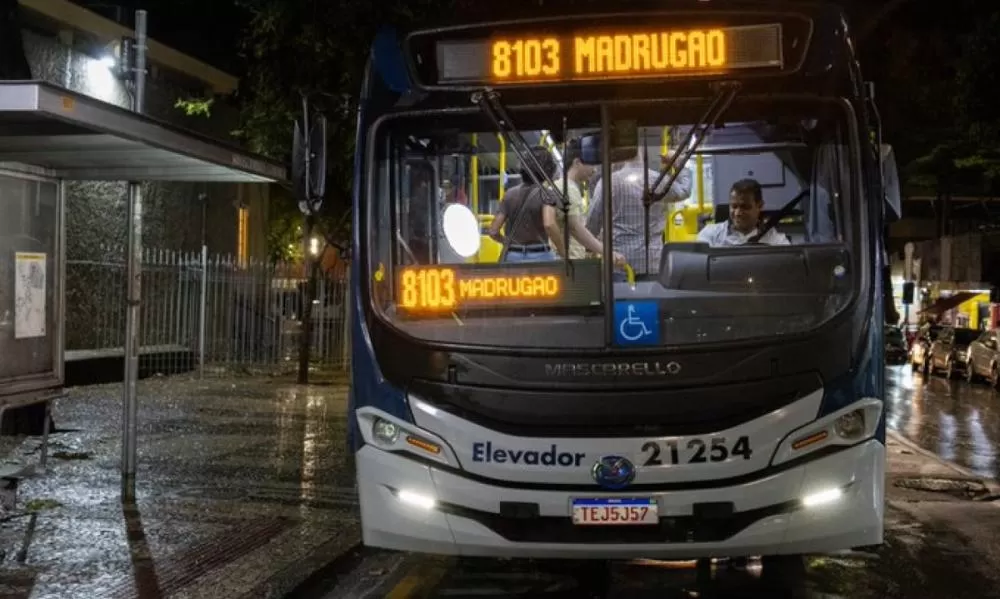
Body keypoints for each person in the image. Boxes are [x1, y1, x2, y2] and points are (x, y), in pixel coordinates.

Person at [585, 147, 693, 278]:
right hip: (652, 263)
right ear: (642, 153)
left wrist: (590, 248)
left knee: (620, 298)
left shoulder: (608, 182)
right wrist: (678, 162)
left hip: (618, 264)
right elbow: (684, 190)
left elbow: (592, 222)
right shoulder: (657, 180)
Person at [551, 138, 625, 265]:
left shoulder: (563, 186)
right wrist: (607, 252)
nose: (595, 170)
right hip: (570, 262)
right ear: (577, 162)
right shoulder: (568, 189)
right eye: (592, 164)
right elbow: (575, 228)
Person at [487, 146, 562, 263]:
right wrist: (563, 252)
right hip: (540, 256)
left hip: (512, 256)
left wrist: (507, 242)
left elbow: (493, 231)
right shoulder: (547, 194)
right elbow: (549, 224)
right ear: (548, 170)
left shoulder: (510, 194)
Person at [697, 179, 791, 247]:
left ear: (760, 206)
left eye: (745, 207)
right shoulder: (710, 235)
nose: (737, 213)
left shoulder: (776, 242)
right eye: (734, 206)